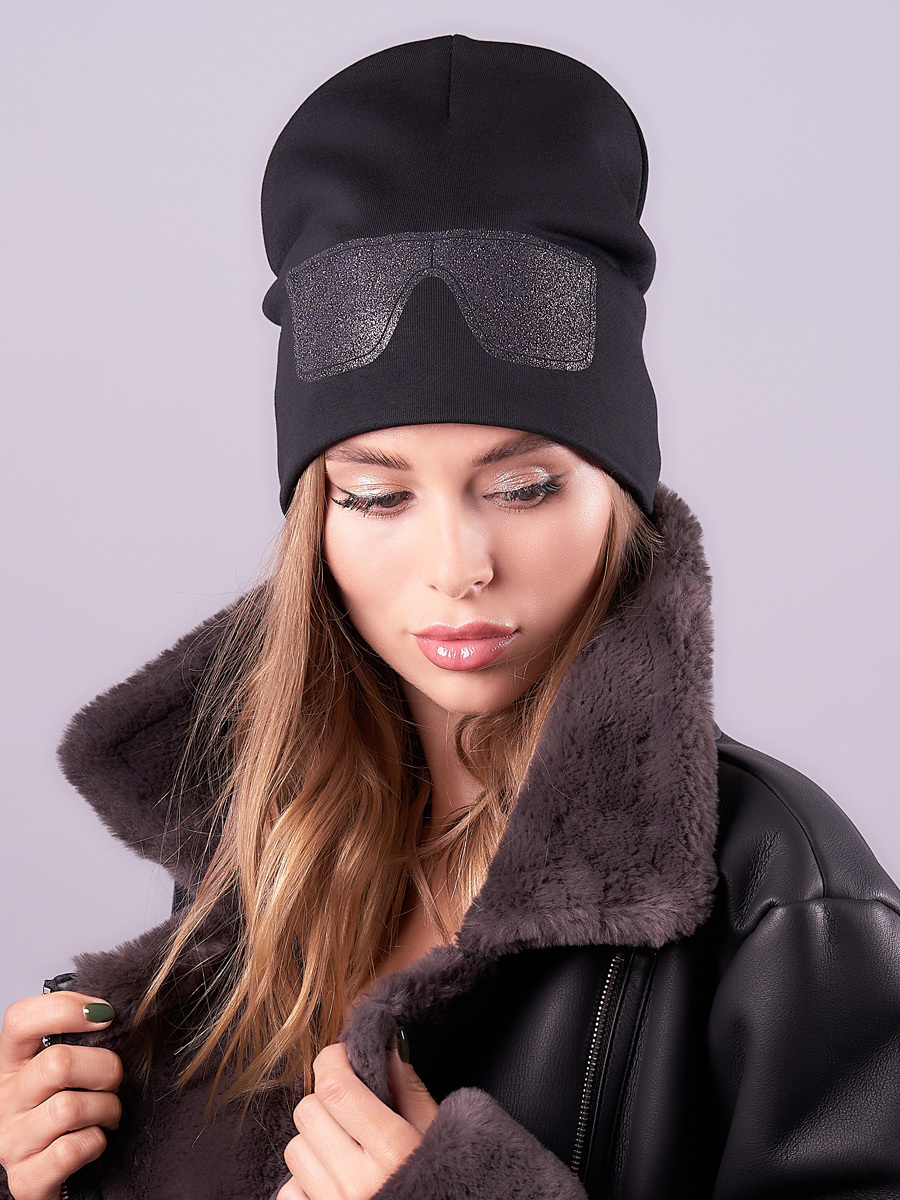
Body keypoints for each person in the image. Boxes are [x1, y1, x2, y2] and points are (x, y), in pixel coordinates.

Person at [1, 32, 898, 1200]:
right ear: (317, 522)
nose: (457, 565)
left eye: (523, 487)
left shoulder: (778, 887)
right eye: (377, 496)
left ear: (619, 498)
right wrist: (54, 1169)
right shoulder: (257, 837)